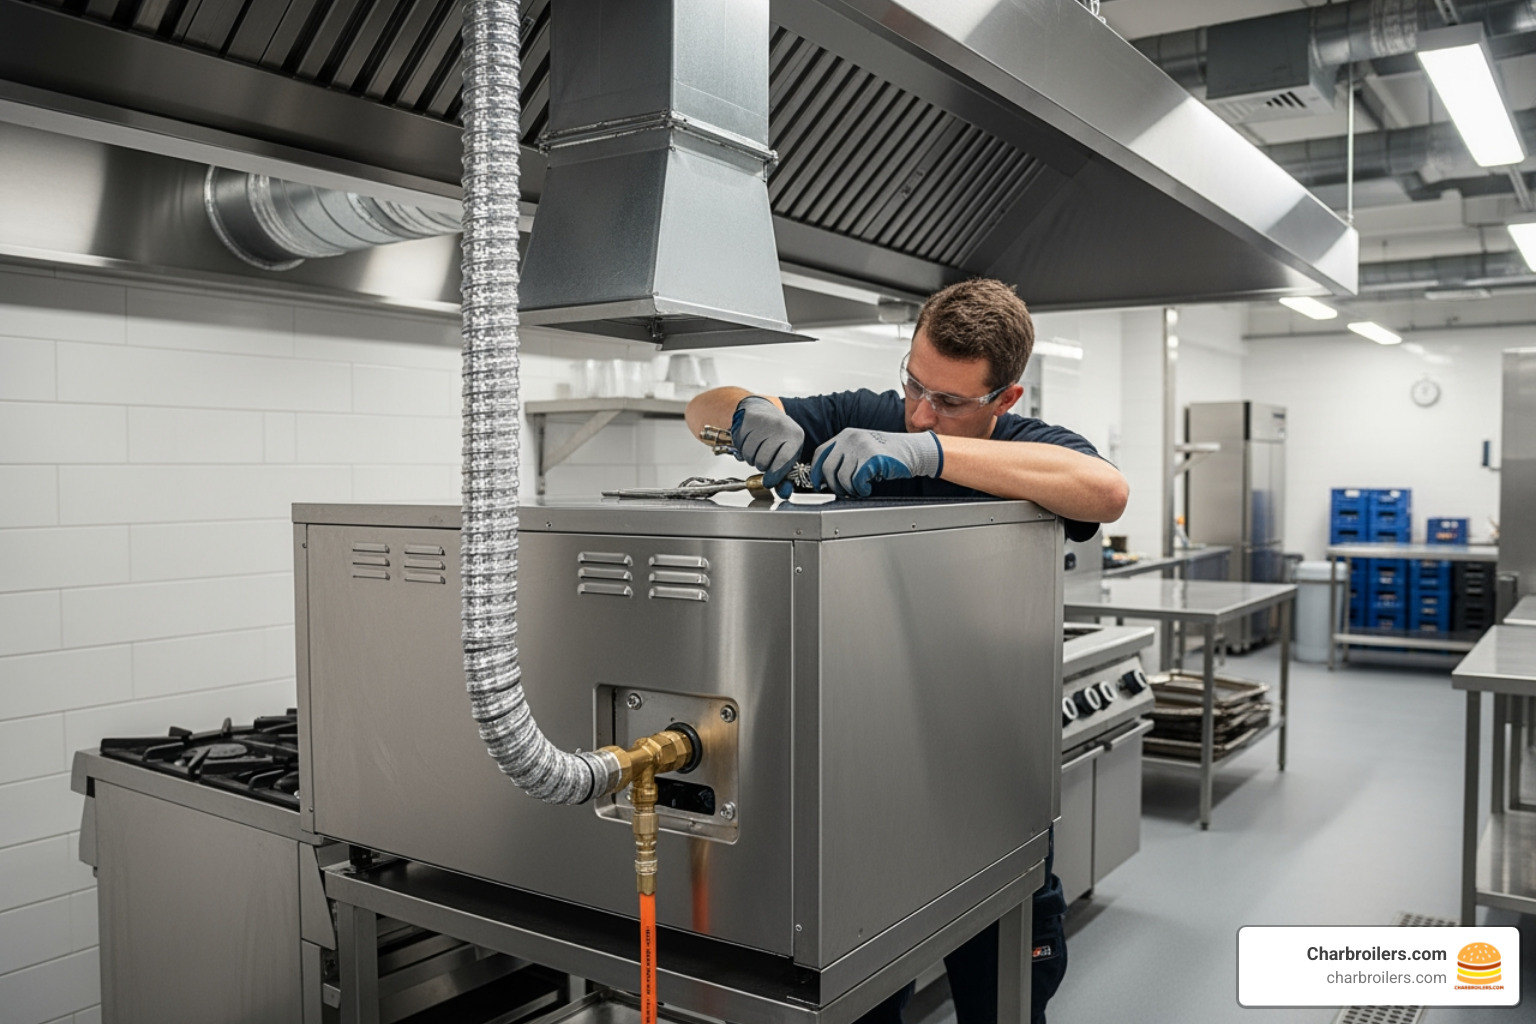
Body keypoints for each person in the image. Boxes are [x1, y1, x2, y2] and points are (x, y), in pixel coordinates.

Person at [685, 278, 1128, 1024]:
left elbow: (1104, 492)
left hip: (994, 782)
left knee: (1005, 998)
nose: (920, 411)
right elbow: (702, 409)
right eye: (914, 387)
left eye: (950, 402)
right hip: (875, 782)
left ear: (1005, 399)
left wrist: (928, 451)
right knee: (865, 995)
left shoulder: (1030, 448)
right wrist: (745, 412)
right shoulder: (864, 416)